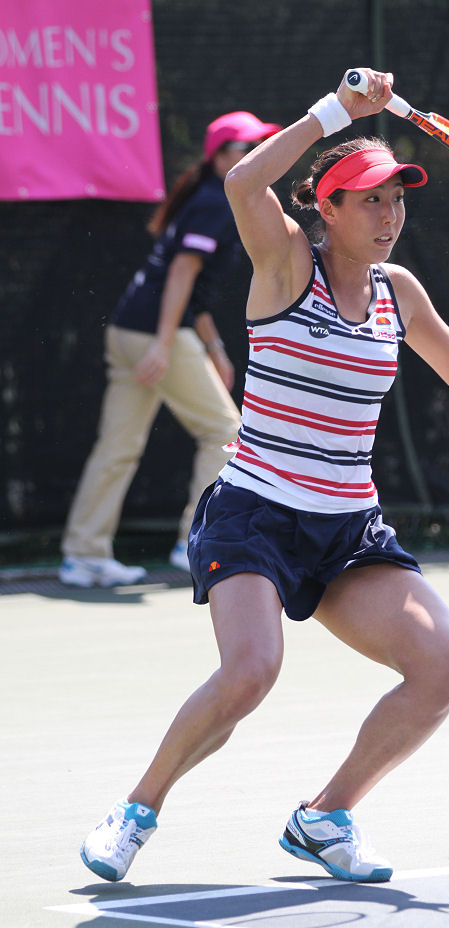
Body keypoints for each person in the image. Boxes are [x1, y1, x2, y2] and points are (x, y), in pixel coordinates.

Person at [80, 70, 449, 882]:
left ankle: (325, 817)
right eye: (369, 201)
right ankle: (136, 809)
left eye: (396, 200)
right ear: (325, 210)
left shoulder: (399, 292)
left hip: (346, 529)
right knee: (250, 673)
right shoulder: (286, 264)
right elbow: (242, 181)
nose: (388, 215)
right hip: (255, 513)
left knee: (445, 666)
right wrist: (333, 112)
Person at [59, 111, 281, 587]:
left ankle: (83, 554)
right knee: (225, 432)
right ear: (220, 157)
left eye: (260, 146)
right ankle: (195, 543)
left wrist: (214, 348)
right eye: (246, 148)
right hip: (153, 334)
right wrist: (163, 344)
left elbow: (191, 291)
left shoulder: (210, 198)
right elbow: (181, 273)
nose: (256, 154)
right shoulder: (215, 202)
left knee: (117, 447)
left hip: (128, 330)